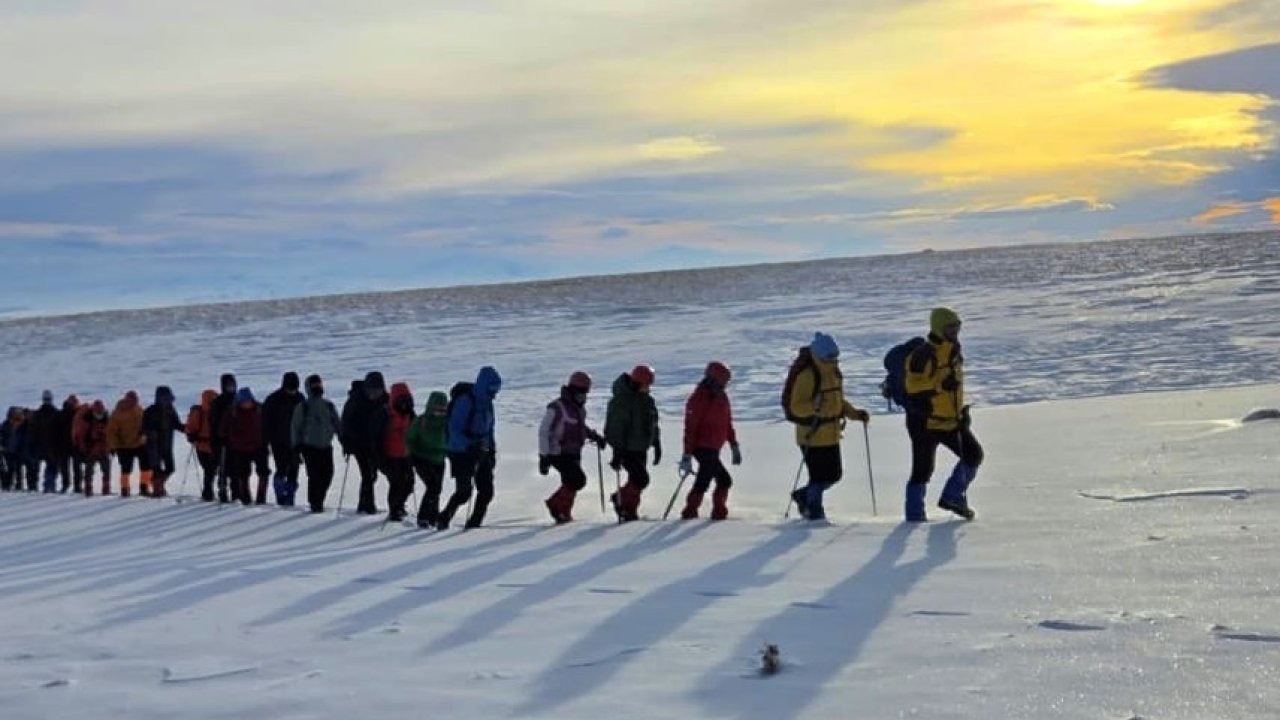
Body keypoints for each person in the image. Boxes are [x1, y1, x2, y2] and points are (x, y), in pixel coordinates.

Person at [903, 307, 984, 521]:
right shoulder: (923, 354)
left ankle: (953, 496)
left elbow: (954, 388)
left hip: (950, 421)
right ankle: (914, 518)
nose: (955, 330)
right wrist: (940, 384)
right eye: (950, 326)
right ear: (938, 327)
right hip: (924, 423)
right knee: (922, 471)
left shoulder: (954, 350)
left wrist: (960, 412)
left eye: (957, 326)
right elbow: (913, 388)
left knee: (974, 455)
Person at [786, 333, 870, 521]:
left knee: (834, 475)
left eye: (835, 356)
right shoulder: (808, 375)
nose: (833, 360)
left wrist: (855, 414)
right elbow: (796, 406)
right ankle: (814, 513)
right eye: (830, 357)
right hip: (811, 435)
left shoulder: (832, 373)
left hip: (831, 433)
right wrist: (813, 407)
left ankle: (803, 496)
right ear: (819, 355)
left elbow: (837, 401)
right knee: (818, 477)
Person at [438, 366, 502, 530]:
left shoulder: (488, 404)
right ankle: (444, 517)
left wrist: (492, 450)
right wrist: (469, 445)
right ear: (484, 385)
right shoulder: (465, 401)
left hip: (482, 450)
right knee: (464, 492)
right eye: (492, 388)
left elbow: (490, 429)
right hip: (460, 452)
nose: (495, 392)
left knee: (486, 491)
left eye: (497, 389)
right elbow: (454, 429)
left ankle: (474, 525)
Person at [540, 371, 606, 524]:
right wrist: (544, 456)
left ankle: (564, 513)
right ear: (572, 390)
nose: (584, 395)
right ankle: (555, 504)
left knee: (570, 482)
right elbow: (543, 431)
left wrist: (594, 437)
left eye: (586, 392)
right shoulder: (556, 407)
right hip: (558, 452)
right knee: (577, 480)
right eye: (581, 391)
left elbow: (580, 427)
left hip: (574, 452)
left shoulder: (579, 409)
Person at [678, 361, 741, 520]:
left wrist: (733, 444)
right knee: (720, 480)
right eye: (723, 381)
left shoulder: (722, 397)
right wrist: (687, 454)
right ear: (713, 379)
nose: (725, 385)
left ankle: (702, 512)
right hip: (702, 447)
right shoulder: (698, 398)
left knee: (713, 479)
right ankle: (697, 512)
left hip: (714, 447)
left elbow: (727, 423)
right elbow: (690, 428)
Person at [604, 364, 661, 522]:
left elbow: (653, 422)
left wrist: (656, 441)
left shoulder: (647, 400)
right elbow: (616, 427)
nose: (648, 388)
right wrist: (617, 451)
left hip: (641, 446)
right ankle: (620, 499)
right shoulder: (621, 400)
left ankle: (629, 510)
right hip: (626, 448)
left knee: (636, 480)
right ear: (636, 383)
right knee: (641, 478)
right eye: (646, 385)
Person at [291, 374, 342, 513]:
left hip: (326, 446)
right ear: (308, 388)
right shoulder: (303, 406)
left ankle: (319, 499)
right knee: (314, 476)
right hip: (309, 447)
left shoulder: (329, 405)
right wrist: (296, 447)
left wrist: (344, 440)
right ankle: (315, 503)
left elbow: (338, 424)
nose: (317, 388)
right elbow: (295, 427)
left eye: (318, 385)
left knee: (328, 474)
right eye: (314, 386)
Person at [341, 372, 386, 515]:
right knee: (368, 474)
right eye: (372, 391)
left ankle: (364, 505)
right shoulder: (355, 400)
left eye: (378, 391)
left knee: (372, 474)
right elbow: (345, 424)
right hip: (358, 444)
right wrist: (346, 443)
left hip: (376, 444)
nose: (375, 394)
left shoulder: (385, 400)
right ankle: (367, 506)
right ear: (366, 388)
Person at [406, 391, 449, 528]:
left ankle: (433, 517)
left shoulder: (447, 422)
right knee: (433, 487)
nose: (440, 412)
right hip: (421, 458)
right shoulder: (421, 421)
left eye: (443, 410)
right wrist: (412, 454)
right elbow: (410, 439)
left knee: (437, 488)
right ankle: (423, 517)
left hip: (439, 460)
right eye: (438, 409)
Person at [375, 382, 416, 522]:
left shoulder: (410, 413)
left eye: (406, 400)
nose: (404, 404)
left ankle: (399, 506)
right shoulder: (385, 413)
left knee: (409, 483)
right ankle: (394, 511)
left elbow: (415, 432)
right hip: (390, 456)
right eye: (401, 400)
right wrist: (381, 459)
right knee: (396, 483)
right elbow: (377, 437)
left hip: (405, 455)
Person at [262, 372, 304, 506]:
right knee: (281, 469)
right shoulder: (273, 399)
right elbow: (264, 421)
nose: (292, 391)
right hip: (278, 441)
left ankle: (290, 497)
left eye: (294, 388)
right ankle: (280, 494)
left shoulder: (300, 398)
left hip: (296, 442)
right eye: (289, 388)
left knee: (294, 470)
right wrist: (265, 441)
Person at [222, 387, 264, 506]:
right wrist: (229, 438)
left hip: (257, 445)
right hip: (240, 447)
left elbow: (266, 424)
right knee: (243, 474)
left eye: (249, 401)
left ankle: (261, 499)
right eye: (245, 401)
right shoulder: (233, 411)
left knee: (263, 472)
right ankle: (245, 499)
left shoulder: (259, 409)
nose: (247, 403)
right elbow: (225, 428)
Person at [142, 386, 185, 498]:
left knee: (170, 468)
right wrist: (151, 433)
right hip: (154, 445)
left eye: (169, 398)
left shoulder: (171, 410)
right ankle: (158, 490)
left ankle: (159, 486)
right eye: (166, 398)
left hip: (167, 443)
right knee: (157, 469)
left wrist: (188, 429)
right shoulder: (150, 411)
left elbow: (177, 424)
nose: (168, 401)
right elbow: (144, 428)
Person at [106, 390, 147, 497]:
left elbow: (145, 424)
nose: (135, 402)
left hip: (139, 443)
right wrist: (114, 445)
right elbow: (111, 431)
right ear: (127, 400)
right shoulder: (118, 412)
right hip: (124, 446)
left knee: (145, 466)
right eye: (133, 400)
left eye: (136, 400)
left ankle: (144, 488)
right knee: (126, 469)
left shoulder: (139, 409)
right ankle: (125, 489)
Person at [208, 374, 239, 503]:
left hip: (235, 440)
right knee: (223, 467)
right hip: (220, 440)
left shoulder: (238, 400)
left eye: (232, 385)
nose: (230, 388)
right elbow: (213, 421)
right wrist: (218, 436)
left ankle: (236, 493)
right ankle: (222, 491)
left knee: (235, 468)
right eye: (228, 386)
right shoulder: (218, 402)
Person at [185, 390, 218, 501]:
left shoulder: (198, 411)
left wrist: (191, 437)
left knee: (209, 470)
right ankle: (209, 492)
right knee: (211, 470)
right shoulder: (203, 412)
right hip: (208, 446)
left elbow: (190, 428)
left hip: (203, 446)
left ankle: (208, 493)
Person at [77, 400, 111, 496]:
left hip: (103, 449)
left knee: (106, 471)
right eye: (97, 412)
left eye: (100, 412)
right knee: (89, 471)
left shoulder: (107, 419)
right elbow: (82, 435)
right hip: (91, 449)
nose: (99, 414)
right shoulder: (87, 420)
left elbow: (111, 434)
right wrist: (83, 447)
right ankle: (88, 489)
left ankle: (106, 489)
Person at [30, 390, 60, 493]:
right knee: (51, 467)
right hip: (50, 445)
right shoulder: (56, 413)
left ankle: (46, 486)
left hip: (46, 445)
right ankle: (48, 486)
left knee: (48, 467)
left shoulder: (38, 414)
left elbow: (33, 430)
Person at [0, 407, 27, 491]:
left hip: (18, 451)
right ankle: (6, 485)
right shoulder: (5, 426)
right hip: (7, 451)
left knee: (18, 469)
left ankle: (19, 485)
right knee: (8, 469)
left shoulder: (23, 427)